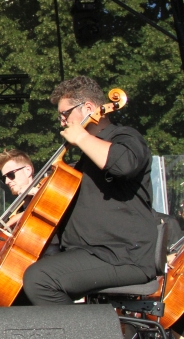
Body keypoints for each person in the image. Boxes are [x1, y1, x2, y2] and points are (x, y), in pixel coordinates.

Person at [22, 76, 158, 305]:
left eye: (65, 114)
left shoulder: (126, 137)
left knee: (40, 279)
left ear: (88, 108)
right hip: (92, 254)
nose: (62, 122)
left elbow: (124, 164)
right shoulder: (85, 161)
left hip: (123, 255)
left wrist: (82, 137)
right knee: (22, 278)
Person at [0, 149, 37, 229]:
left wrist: (23, 215)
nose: (6, 181)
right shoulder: (19, 208)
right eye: (4, 178)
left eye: (10, 175)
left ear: (28, 171)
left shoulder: (48, 193)